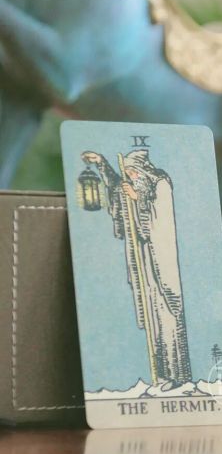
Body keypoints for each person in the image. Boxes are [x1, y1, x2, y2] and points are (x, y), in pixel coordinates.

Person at [82, 149, 192, 388]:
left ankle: (177, 375)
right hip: (144, 258)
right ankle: (161, 374)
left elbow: (159, 217)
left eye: (134, 172)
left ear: (144, 170)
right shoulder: (136, 184)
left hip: (160, 260)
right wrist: (101, 163)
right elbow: (116, 187)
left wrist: (137, 198)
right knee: (152, 315)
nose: (130, 176)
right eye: (128, 172)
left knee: (166, 314)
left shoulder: (161, 183)